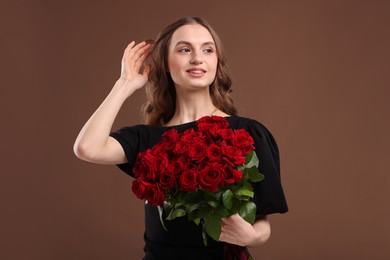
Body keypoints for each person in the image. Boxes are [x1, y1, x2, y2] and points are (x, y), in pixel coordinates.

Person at [74, 17, 288, 260]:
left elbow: (262, 224)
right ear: (165, 62)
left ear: (216, 62)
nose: (197, 58)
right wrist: (124, 85)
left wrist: (250, 236)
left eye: (207, 50)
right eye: (185, 50)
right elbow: (87, 148)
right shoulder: (145, 139)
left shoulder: (248, 133)